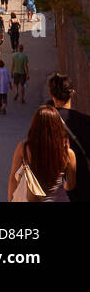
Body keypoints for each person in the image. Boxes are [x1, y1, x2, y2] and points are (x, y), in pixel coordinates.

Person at [7, 106, 76, 202]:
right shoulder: (68, 153)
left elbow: (13, 179)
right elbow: (71, 185)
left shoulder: (24, 148)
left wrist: (10, 199)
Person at [47, 74, 90, 203]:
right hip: (82, 188)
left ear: (51, 94)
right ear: (72, 93)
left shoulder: (43, 120)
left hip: (51, 190)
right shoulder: (85, 121)